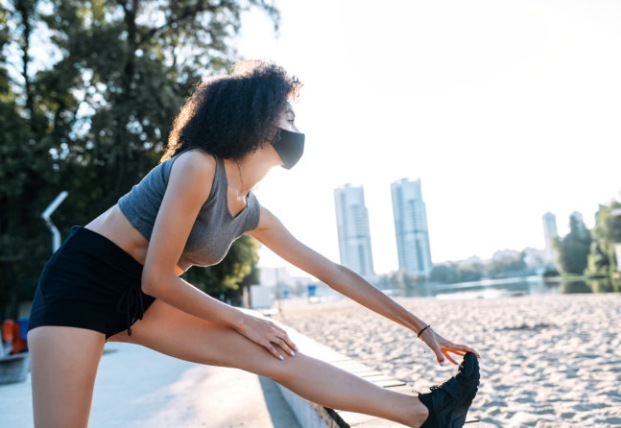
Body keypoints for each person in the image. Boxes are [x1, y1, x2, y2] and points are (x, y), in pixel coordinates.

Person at [27, 60, 480, 428]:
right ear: (255, 118)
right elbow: (158, 275)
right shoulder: (198, 166)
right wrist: (246, 320)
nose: (296, 127)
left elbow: (335, 273)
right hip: (80, 284)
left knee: (276, 355)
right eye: (288, 115)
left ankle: (425, 414)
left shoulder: (250, 210)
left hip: (139, 296)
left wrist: (422, 328)